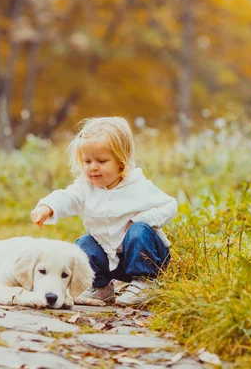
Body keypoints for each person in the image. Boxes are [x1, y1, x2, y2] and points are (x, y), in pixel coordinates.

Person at [30, 116, 177, 306]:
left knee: (138, 230)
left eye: (101, 161)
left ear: (121, 163)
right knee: (84, 243)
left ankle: (145, 283)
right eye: (87, 161)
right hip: (112, 260)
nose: (93, 168)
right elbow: (68, 197)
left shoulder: (137, 186)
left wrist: (143, 219)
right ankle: (100, 286)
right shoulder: (86, 187)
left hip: (147, 255)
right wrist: (48, 207)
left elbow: (170, 205)